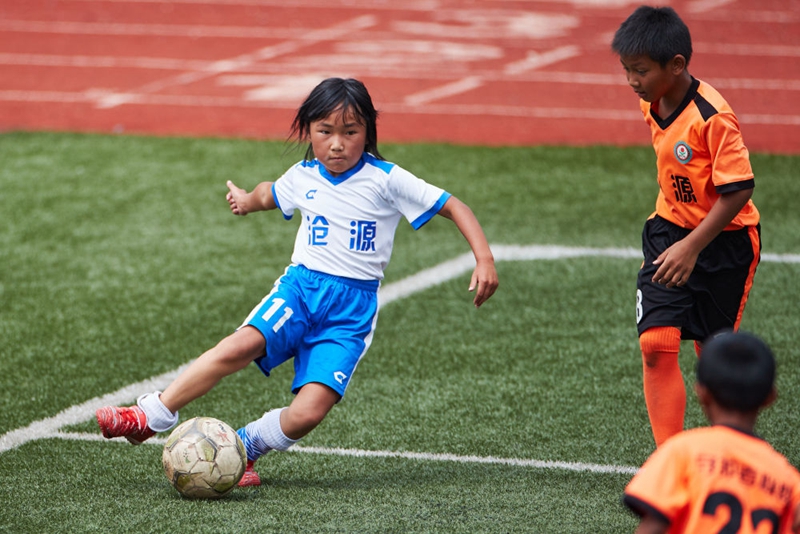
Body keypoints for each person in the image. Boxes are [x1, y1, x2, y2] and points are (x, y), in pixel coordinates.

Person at [96, 77, 499, 487]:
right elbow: (269, 194)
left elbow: (454, 205)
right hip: (301, 290)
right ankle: (150, 415)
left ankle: (245, 447)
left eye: (350, 132)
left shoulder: (387, 179)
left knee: (309, 413)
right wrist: (246, 202)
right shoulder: (303, 176)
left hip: (350, 313)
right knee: (238, 346)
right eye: (325, 132)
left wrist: (483, 259)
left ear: (368, 132)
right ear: (308, 131)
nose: (337, 144)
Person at [611, 6, 761, 447]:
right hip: (668, 231)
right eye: (626, 70)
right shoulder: (651, 102)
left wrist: (692, 247)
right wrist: (679, 236)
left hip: (725, 243)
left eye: (640, 70)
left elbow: (739, 189)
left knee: (714, 356)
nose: (632, 81)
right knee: (655, 344)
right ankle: (670, 458)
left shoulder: (713, 117)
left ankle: (725, 453)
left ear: (676, 65)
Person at [623, 331, 800, 533]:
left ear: (701, 393)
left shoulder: (682, 452)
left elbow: (652, 528)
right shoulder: (788, 479)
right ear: (770, 398)